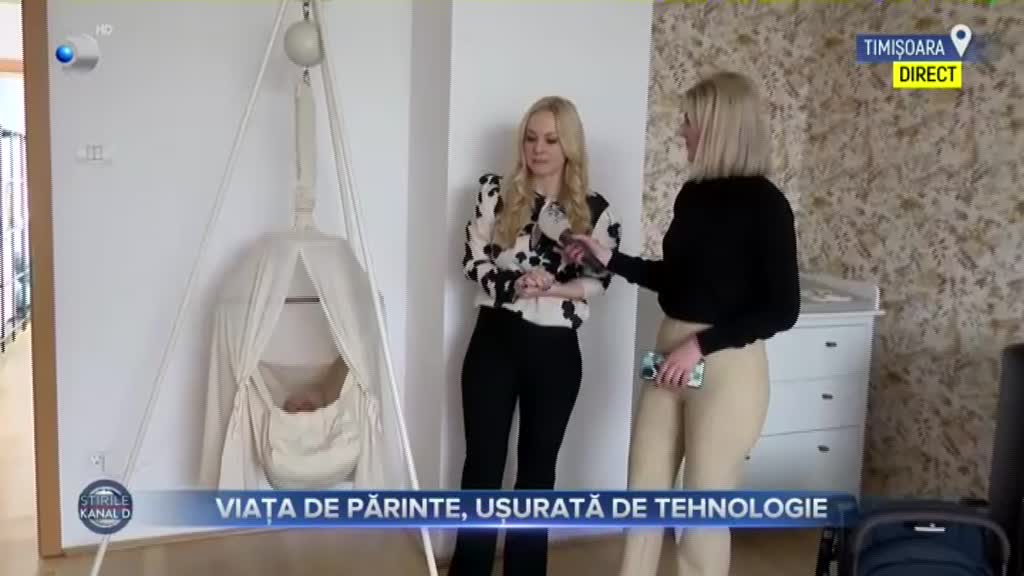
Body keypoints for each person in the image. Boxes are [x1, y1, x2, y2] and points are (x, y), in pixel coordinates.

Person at [568, 71, 800, 576]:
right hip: (668, 350)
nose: (682, 131)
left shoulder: (767, 205)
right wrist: (610, 259)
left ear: (718, 127)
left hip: (726, 366)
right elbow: (677, 280)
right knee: (642, 493)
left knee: (702, 512)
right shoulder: (692, 196)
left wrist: (700, 345)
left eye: (690, 121)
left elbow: (783, 309)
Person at [449, 95, 622, 576]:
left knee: (537, 474)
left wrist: (553, 287)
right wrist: (513, 284)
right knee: (482, 468)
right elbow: (472, 260)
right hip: (493, 343)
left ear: (569, 147)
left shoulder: (595, 211)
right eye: (530, 138)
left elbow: (599, 281)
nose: (538, 149)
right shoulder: (494, 192)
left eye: (550, 139)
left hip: (555, 353)